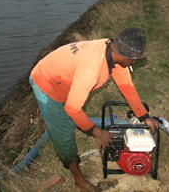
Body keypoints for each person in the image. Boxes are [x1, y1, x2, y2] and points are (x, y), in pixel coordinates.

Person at [29, 26, 159, 192]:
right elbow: (73, 109)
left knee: (67, 118)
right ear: (125, 55)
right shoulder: (91, 70)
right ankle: (79, 181)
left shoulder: (112, 52)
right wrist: (97, 132)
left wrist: (144, 116)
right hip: (46, 81)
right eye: (134, 59)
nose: (134, 62)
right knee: (63, 133)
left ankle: (63, 147)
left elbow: (127, 87)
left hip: (64, 75)